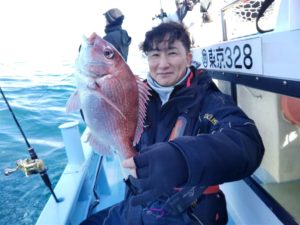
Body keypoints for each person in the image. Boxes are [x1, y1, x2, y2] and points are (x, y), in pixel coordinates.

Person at [80, 21, 264, 225]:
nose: (163, 63)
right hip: (138, 202)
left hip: (187, 210)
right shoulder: (135, 94)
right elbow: (101, 114)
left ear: (189, 57)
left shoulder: (210, 101)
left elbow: (248, 144)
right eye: (155, 55)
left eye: (172, 53)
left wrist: (181, 158)